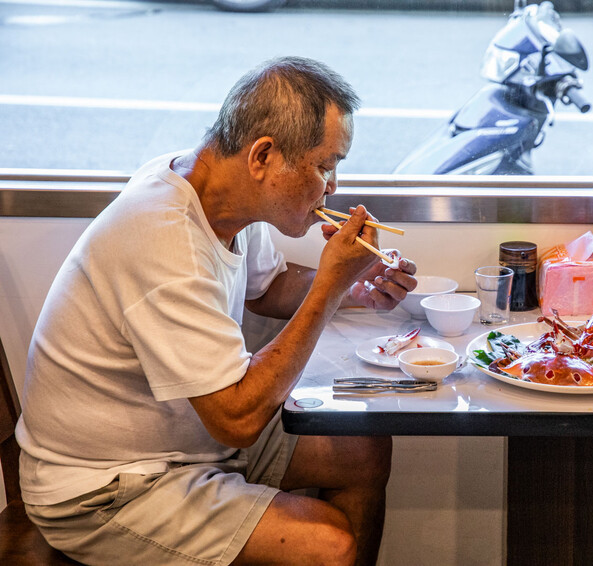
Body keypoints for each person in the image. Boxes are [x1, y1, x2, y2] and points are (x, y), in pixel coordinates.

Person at [16, 56, 417, 566]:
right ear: (263, 156)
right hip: (105, 487)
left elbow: (268, 287)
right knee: (329, 546)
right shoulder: (163, 238)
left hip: (190, 441)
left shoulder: (220, 195)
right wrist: (330, 286)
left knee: (363, 449)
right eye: (324, 166)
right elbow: (237, 419)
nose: (332, 187)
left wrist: (353, 286)